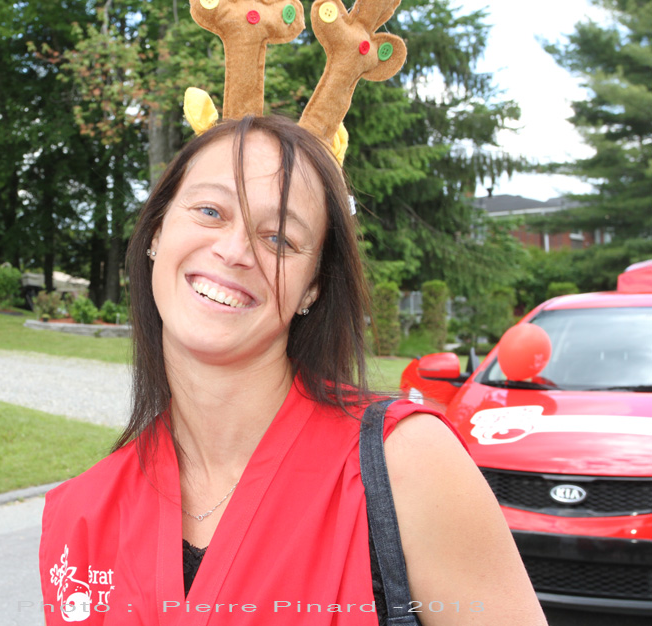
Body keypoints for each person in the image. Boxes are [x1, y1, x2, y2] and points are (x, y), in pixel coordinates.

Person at [37, 114, 548, 625]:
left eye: (279, 239)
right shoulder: (81, 516)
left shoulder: (406, 465)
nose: (234, 251)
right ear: (156, 231)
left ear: (312, 287)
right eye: (210, 211)